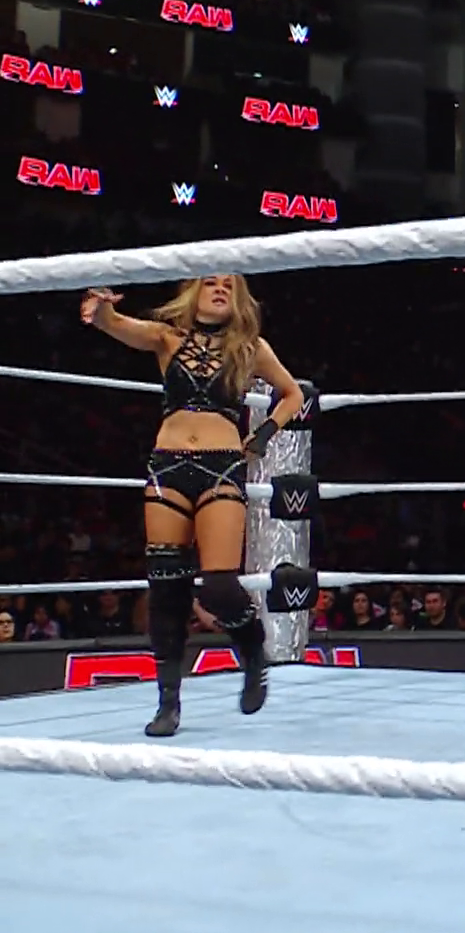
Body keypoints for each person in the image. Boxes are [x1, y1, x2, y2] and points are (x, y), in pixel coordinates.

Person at [81, 275, 305, 737]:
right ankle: (168, 703)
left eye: (228, 285)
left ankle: (253, 650)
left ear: (238, 298)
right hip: (168, 465)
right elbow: (116, 325)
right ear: (194, 291)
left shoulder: (249, 348)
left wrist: (263, 435)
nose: (220, 289)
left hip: (221, 465)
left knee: (220, 587)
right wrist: (100, 309)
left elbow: (292, 394)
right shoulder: (168, 337)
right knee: (166, 586)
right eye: (211, 282)